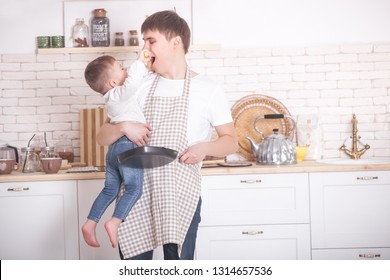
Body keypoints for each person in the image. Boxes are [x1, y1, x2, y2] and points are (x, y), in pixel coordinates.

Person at [96, 10, 238, 260]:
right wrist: (122, 127)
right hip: (135, 196)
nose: (145, 48)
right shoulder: (138, 84)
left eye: (151, 41)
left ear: (176, 43)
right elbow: (102, 137)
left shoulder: (209, 89)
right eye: (144, 41)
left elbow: (230, 141)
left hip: (180, 196)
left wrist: (204, 148)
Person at [81, 51, 152, 248]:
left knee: (110, 189)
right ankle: (115, 221)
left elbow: (133, 82)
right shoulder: (119, 94)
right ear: (112, 83)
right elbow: (133, 84)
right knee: (134, 188)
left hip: (114, 149)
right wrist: (139, 60)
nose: (125, 69)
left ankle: (90, 222)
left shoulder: (112, 99)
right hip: (128, 147)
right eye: (120, 68)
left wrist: (142, 66)